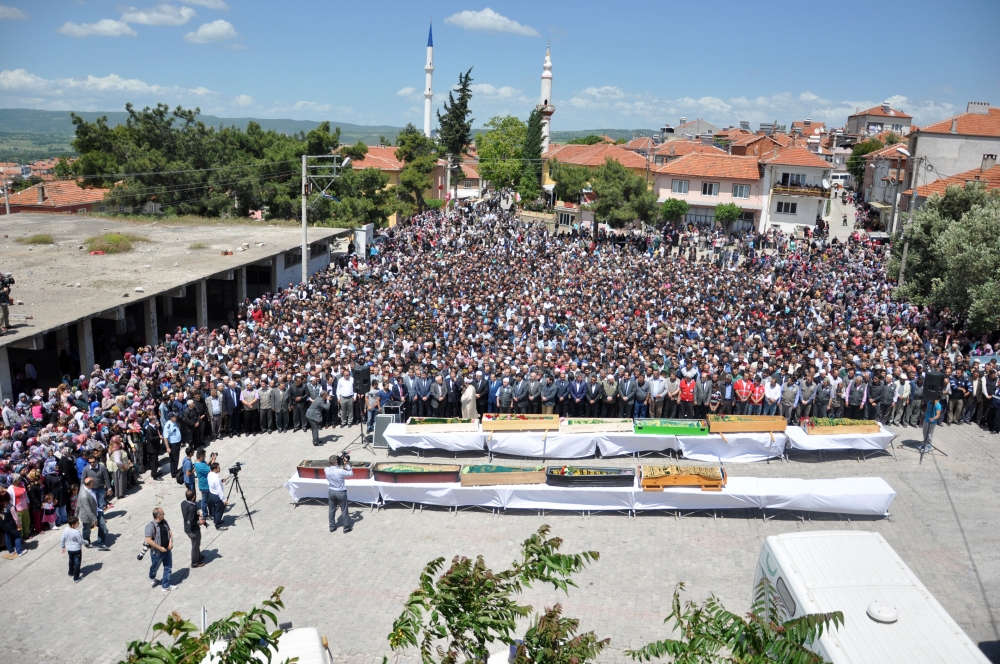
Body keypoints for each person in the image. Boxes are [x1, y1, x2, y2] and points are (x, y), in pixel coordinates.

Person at [144, 508, 176, 592]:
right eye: (163, 514)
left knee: (168, 568)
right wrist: (160, 548)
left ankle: (165, 586)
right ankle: (152, 577)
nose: (164, 515)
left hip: (167, 550)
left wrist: (170, 542)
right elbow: (149, 540)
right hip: (157, 553)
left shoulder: (164, 522)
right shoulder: (150, 526)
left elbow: (169, 531)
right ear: (158, 516)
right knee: (154, 568)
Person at [75, 477, 108, 551]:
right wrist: (94, 519)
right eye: (93, 482)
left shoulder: (84, 487)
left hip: (96, 511)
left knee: (103, 527)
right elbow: (87, 509)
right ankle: (87, 542)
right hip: (87, 516)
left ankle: (101, 543)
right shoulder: (84, 496)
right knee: (86, 530)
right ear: (91, 484)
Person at [324, 454, 353, 533]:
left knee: (331, 510)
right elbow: (351, 473)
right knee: (344, 510)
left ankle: (332, 526)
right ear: (336, 462)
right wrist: (346, 463)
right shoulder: (340, 471)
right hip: (340, 492)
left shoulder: (326, 470)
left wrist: (334, 459)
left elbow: (329, 465)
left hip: (331, 491)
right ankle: (346, 527)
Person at [180, 489, 205, 568]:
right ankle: (195, 563)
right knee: (195, 545)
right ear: (194, 497)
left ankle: (198, 556)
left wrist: (196, 515)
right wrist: (199, 522)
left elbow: (187, 515)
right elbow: (191, 521)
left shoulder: (183, 503)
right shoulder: (192, 507)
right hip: (193, 530)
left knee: (196, 543)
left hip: (186, 528)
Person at [60, 516, 84, 582]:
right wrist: (86, 542)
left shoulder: (65, 530)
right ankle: (76, 578)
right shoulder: (76, 532)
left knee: (71, 560)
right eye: (77, 523)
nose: (78, 524)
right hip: (77, 549)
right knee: (77, 562)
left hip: (70, 549)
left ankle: (70, 572)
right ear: (73, 525)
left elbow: (62, 539)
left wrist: (63, 547)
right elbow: (80, 541)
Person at [1, 492, 25, 556]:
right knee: (17, 536)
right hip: (12, 525)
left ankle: (11, 550)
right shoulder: (11, 507)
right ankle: (19, 551)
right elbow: (15, 517)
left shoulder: (1, 507)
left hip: (4, 525)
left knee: (7, 536)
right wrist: (18, 524)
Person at [206, 462, 228, 530]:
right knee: (219, 510)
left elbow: (213, 483)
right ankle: (218, 525)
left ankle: (216, 520)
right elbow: (219, 491)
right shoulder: (216, 478)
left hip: (211, 494)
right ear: (215, 469)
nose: (219, 469)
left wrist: (221, 481)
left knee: (215, 509)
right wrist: (224, 500)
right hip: (217, 496)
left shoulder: (210, 474)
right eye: (218, 468)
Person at [163, 412, 182, 478]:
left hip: (177, 443)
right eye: (175, 417)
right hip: (173, 444)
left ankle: (175, 470)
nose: (176, 417)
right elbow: (165, 437)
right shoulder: (168, 425)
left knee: (176, 458)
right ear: (171, 418)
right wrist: (167, 447)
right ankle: (173, 473)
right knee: (173, 459)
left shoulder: (174, 423)